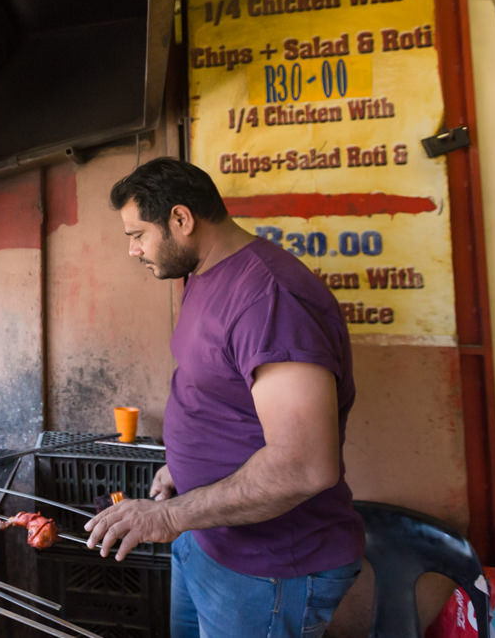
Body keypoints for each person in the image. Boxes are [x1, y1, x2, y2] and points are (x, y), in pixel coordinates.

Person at [84, 158, 364, 637]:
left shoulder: (271, 297)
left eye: (137, 234)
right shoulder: (202, 274)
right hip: (206, 534)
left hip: (268, 569)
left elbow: (303, 466)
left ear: (181, 219)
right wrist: (183, 465)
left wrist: (169, 516)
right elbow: (216, 387)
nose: (132, 250)